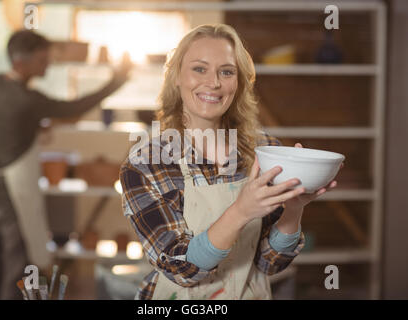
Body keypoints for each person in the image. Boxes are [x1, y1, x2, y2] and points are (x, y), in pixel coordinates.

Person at [120, 24, 340, 300]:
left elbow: (269, 263)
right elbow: (180, 267)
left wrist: (294, 209)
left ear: (238, 83)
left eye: (226, 71)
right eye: (199, 68)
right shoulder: (147, 163)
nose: (213, 82)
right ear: (176, 76)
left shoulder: (265, 150)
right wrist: (241, 211)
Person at [0, 29, 132, 299]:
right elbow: (75, 108)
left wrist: (27, 129)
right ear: (22, 62)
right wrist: (116, 81)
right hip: (15, 194)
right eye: (42, 59)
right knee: (16, 265)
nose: (47, 64)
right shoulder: (28, 100)